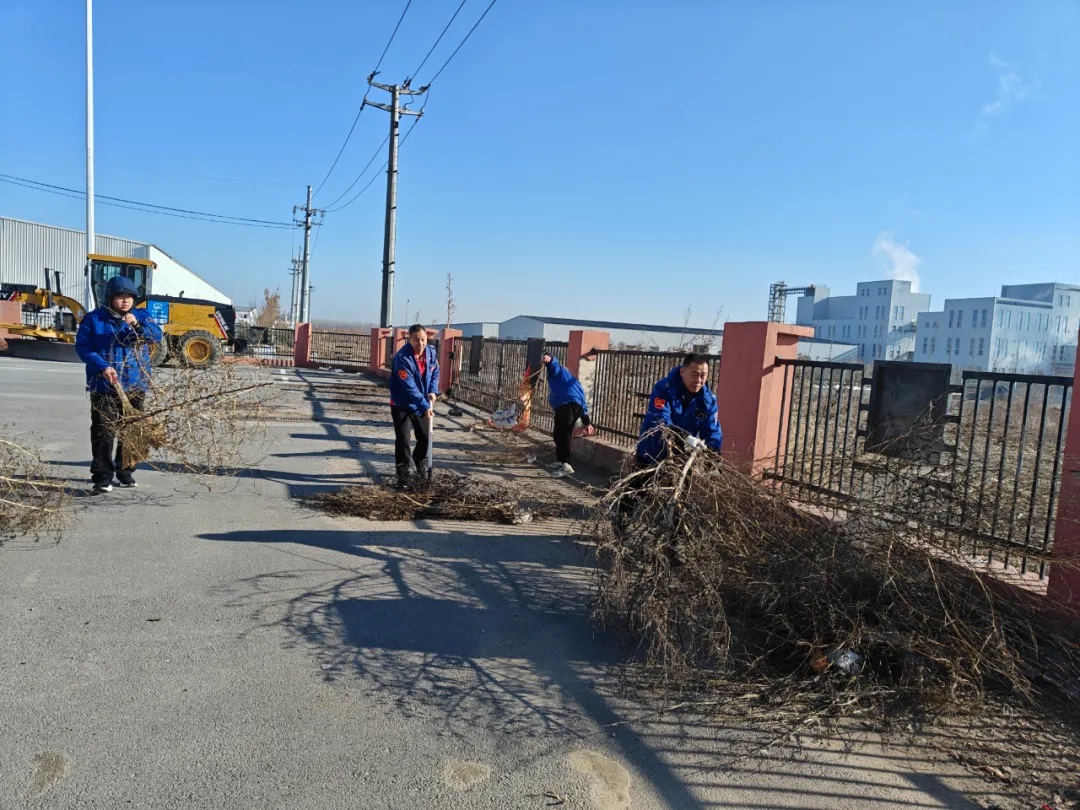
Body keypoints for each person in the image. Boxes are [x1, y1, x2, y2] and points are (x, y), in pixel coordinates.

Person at [75, 275, 164, 494]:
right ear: (110, 297)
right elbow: (84, 347)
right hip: (104, 385)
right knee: (104, 431)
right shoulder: (94, 319)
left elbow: (156, 336)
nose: (125, 301)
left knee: (132, 431)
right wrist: (102, 366)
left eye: (129, 297)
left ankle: (125, 472)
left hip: (134, 383)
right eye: (120, 296)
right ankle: (102, 477)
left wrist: (137, 325)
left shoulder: (142, 315)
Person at [635, 352, 723, 467]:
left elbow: (712, 431)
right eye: (694, 375)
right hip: (651, 454)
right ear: (682, 372)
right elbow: (660, 419)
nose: (698, 380)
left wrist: (713, 454)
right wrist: (684, 436)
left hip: (680, 460)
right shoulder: (664, 389)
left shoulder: (708, 401)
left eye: (703, 376)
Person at [389, 324, 440, 487]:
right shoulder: (402, 358)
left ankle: (418, 459)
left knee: (425, 437)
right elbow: (409, 387)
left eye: (423, 339)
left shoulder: (431, 353)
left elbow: (435, 372)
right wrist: (425, 406)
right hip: (401, 404)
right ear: (409, 339)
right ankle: (403, 476)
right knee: (403, 440)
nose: (421, 344)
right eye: (416, 340)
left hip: (421, 404)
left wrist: (432, 390)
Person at [541, 353, 595, 477]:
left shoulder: (558, 373)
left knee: (563, 434)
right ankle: (561, 462)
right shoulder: (573, 383)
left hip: (567, 405)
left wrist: (549, 358)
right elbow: (582, 404)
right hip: (571, 406)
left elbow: (554, 365)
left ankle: (565, 464)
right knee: (559, 434)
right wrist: (587, 422)